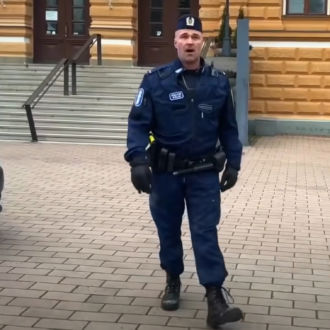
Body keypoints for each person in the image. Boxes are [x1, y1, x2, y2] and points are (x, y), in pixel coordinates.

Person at [124, 14, 243, 328]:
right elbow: (137, 124)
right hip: (166, 175)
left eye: (194, 36)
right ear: (175, 42)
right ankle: (173, 279)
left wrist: (234, 162)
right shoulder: (155, 81)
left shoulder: (218, 83)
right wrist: (137, 161)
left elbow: (229, 128)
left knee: (205, 233)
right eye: (184, 36)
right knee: (168, 232)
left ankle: (215, 296)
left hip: (204, 173)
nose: (189, 42)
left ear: (202, 42)